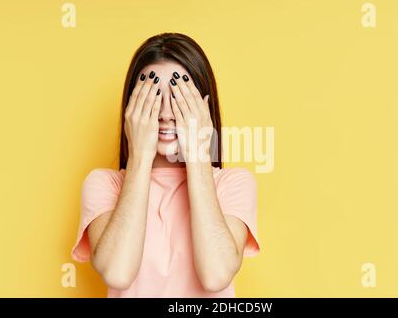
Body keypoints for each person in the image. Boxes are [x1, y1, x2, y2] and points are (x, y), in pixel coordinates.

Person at [71, 32, 260, 297]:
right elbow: (117, 272)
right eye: (152, 97)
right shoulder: (103, 185)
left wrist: (198, 154)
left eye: (180, 98)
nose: (166, 113)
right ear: (131, 107)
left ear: (204, 106)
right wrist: (138, 158)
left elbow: (216, 276)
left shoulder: (234, 184)